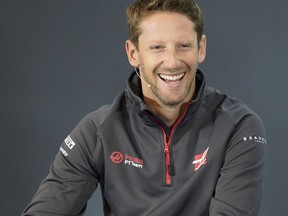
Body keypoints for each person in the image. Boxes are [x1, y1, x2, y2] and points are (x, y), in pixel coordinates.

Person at [22, 0, 266, 215]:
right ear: (133, 53)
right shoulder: (98, 131)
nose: (172, 62)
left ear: (201, 48)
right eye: (157, 47)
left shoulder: (238, 125)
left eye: (183, 46)